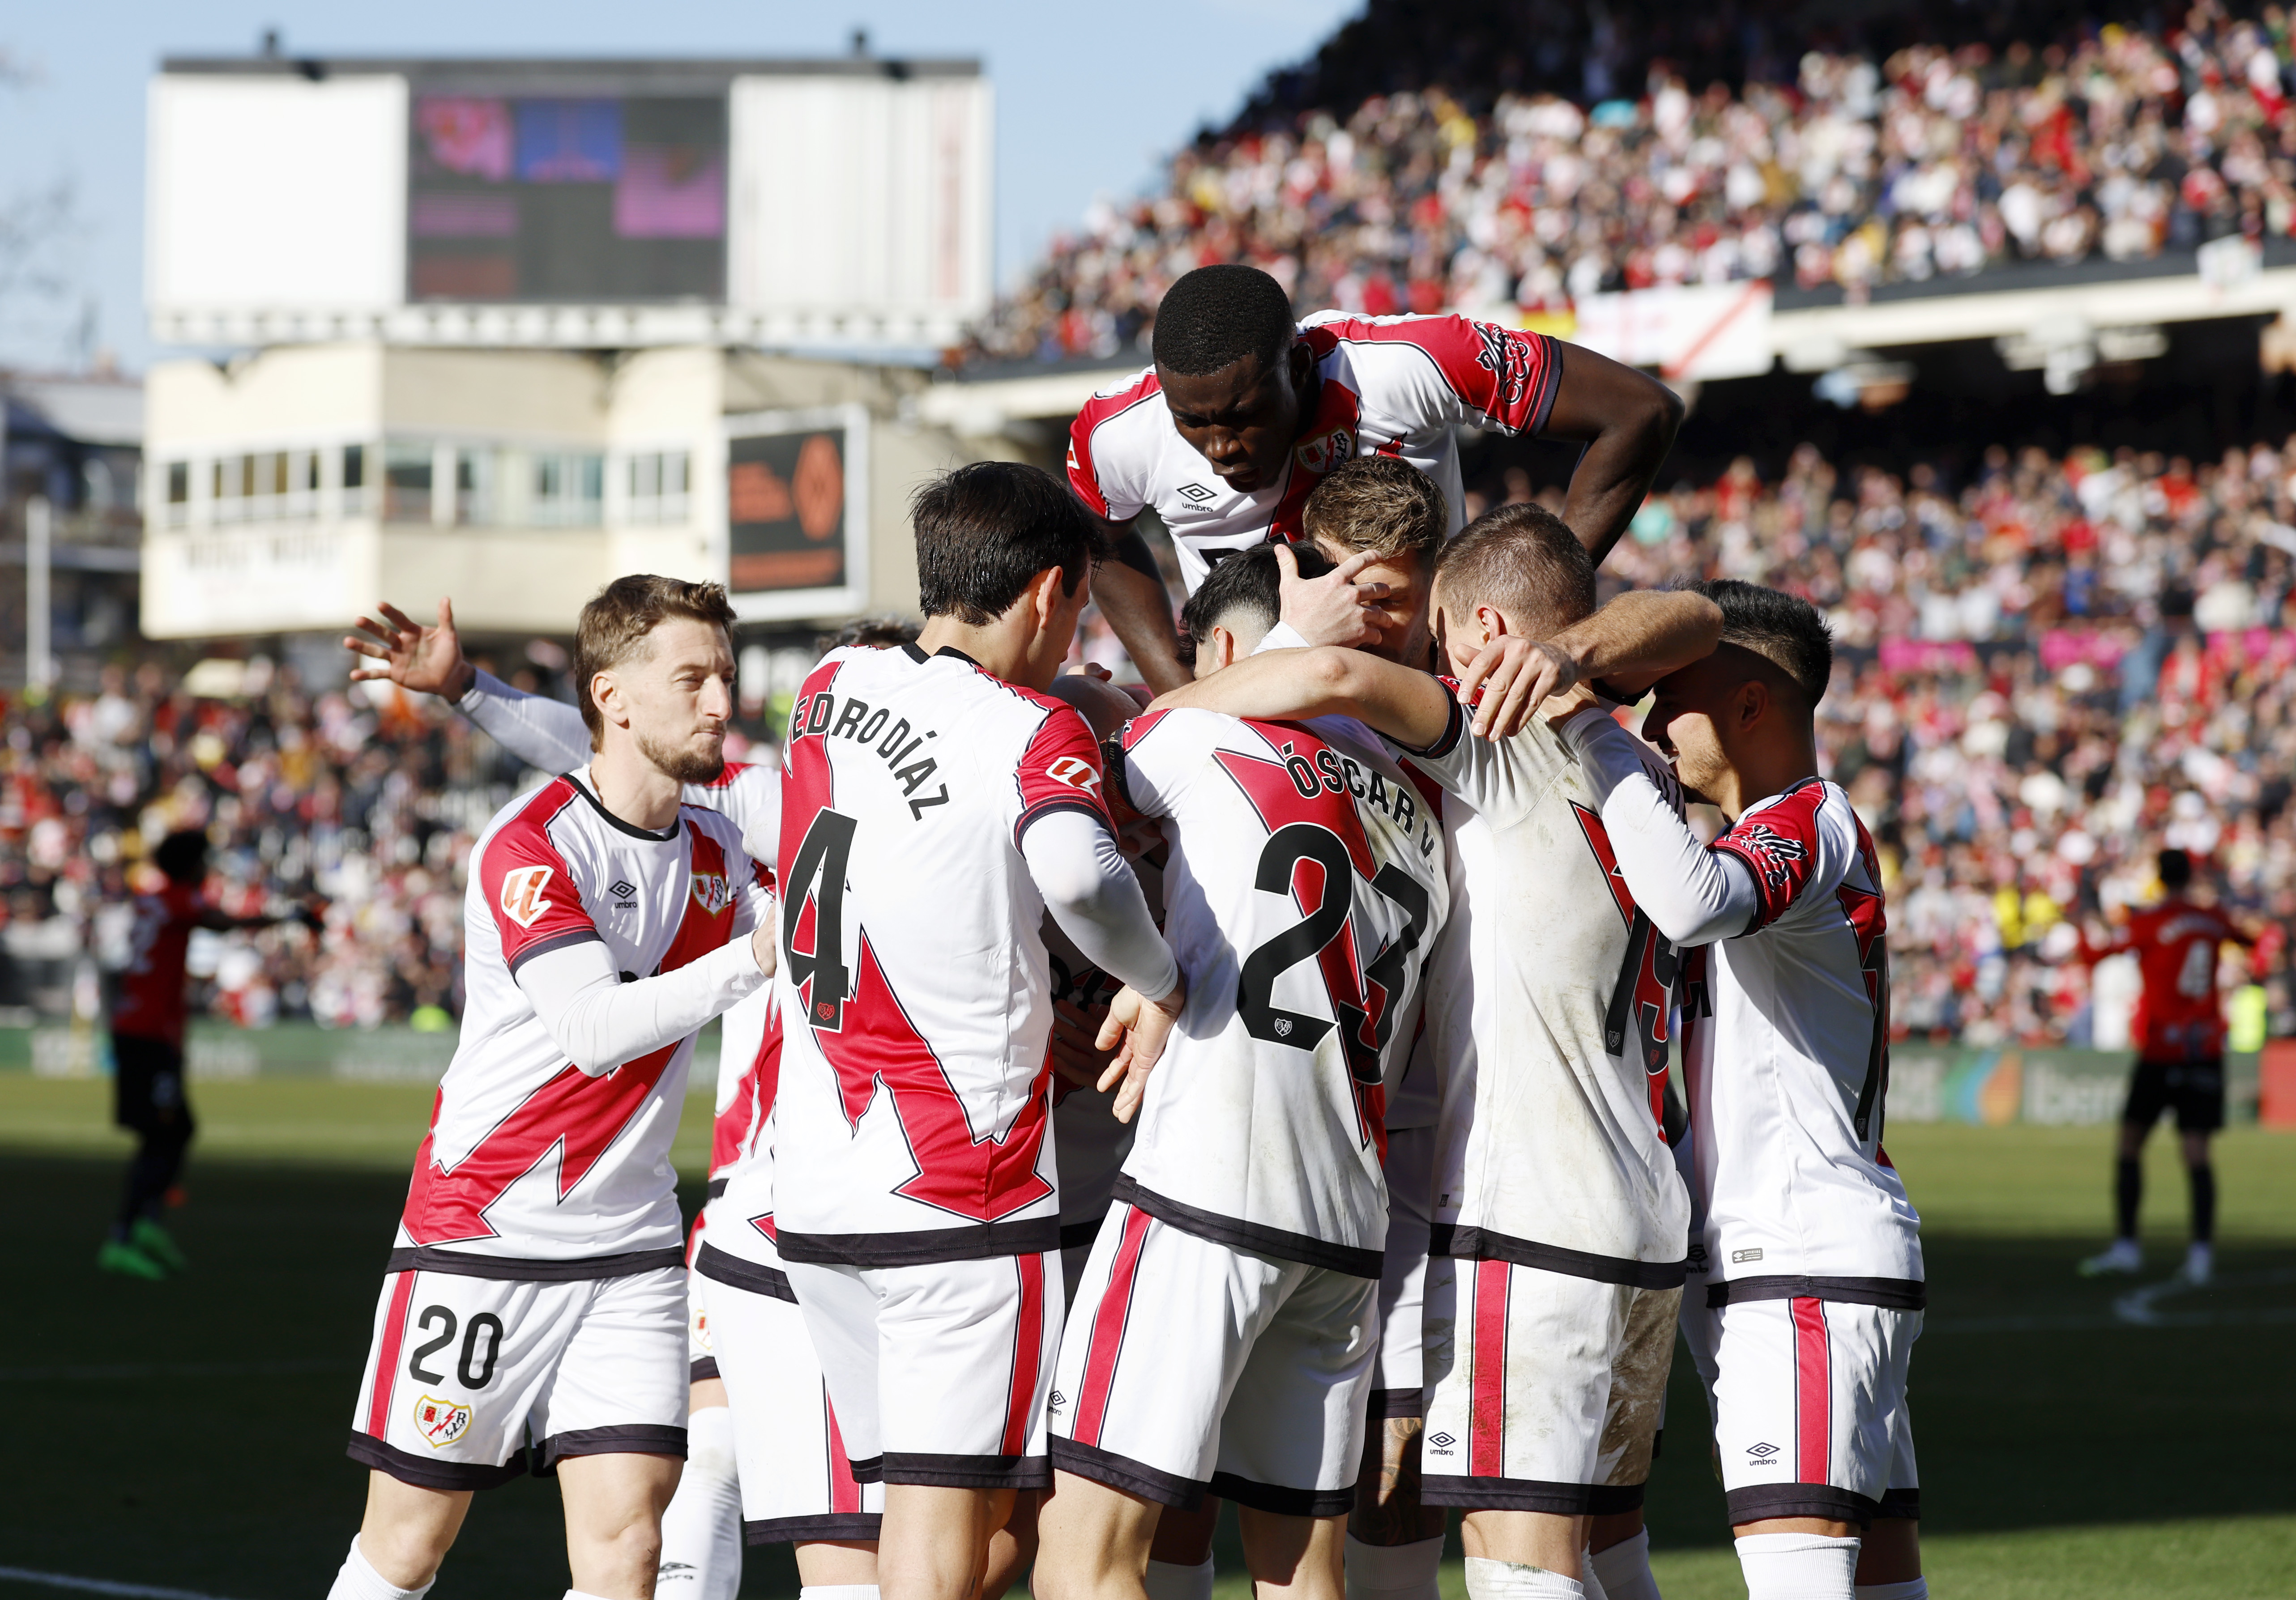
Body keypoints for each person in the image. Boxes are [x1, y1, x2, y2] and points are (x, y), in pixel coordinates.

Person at [1146, 508, 1723, 1600]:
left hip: (1538, 1220)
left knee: (1518, 1568)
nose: (1437, 664)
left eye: (1448, 639)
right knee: (1608, 1552)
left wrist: (1159, 724)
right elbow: (1696, 609)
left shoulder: (1506, 743)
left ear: (1488, 629)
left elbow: (1339, 678)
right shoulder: (1630, 762)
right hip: (1645, 1215)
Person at [772, 462, 1183, 1600]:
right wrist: (1162, 977)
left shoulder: (827, 679)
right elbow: (1080, 874)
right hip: (956, 1184)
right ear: (1052, 592)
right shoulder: (1028, 725)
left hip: (816, 1180)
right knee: (942, 1546)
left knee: (935, 1527)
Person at [328, 576, 777, 1600]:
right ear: (614, 696)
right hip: (483, 1233)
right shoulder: (529, 846)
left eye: (726, 676)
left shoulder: (717, 841)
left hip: (630, 1249)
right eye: (693, 679)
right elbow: (591, 1030)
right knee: (406, 1548)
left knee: (625, 1549)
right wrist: (756, 951)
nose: (721, 702)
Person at [1033, 544, 1455, 1600]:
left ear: (1229, 651)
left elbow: (1095, 740)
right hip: (1345, 1222)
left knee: (1082, 1559)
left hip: (1204, 1186)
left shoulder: (1203, 736)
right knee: (1304, 1573)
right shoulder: (1418, 807)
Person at [1556, 581, 1926, 1600]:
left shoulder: (1804, 819)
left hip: (1799, 1261)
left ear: (1750, 702)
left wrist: (1588, 728)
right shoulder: (1784, 826)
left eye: (1664, 696)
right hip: (1813, 1256)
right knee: (1881, 1580)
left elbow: (1688, 903)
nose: (1646, 721)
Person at [1066, 262, 1683, 693]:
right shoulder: (1115, 435)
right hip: (1256, 715)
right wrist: (1177, 683)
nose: (1221, 446)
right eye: (1192, 423)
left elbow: (1640, 411)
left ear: (1301, 365)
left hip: (1430, 696)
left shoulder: (1407, 366)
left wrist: (1541, 606)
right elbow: (1102, 539)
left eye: (1244, 416)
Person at [99, 829, 320, 1280]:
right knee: (163, 1134)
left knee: (174, 1131)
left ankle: (145, 1224)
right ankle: (124, 1237)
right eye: (203, 861)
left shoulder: (151, 900)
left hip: (145, 1031)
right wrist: (289, 917)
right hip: (149, 1035)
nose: (207, 869)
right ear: (191, 865)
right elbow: (222, 922)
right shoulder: (179, 899)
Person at [2075, 847, 2258, 1285]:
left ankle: (2128, 1248)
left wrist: (2083, 923)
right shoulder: (2213, 919)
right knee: (2197, 1152)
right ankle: (2200, 1256)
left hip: (2161, 1049)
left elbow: (2096, 957)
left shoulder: (2149, 923)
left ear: (2158, 877)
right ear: (2190, 875)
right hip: (2205, 1047)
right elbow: (2251, 941)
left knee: (2130, 1144)